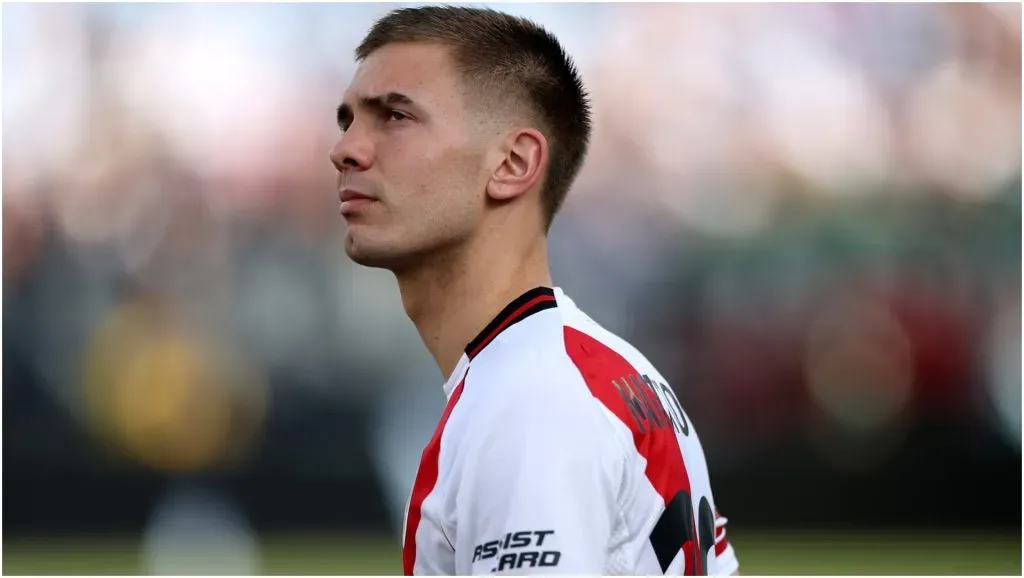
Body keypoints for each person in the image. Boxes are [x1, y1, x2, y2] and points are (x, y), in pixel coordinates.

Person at [329, 6, 739, 576]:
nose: (346, 148)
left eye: (394, 116)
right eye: (347, 120)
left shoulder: (529, 400)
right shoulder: (591, 368)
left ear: (514, 163)